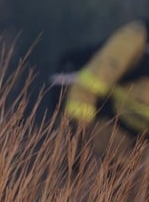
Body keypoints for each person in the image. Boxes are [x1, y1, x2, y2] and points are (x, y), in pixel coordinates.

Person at [54, 19, 149, 158]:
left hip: (140, 146)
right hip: (105, 130)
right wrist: (76, 147)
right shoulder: (135, 39)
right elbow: (85, 89)